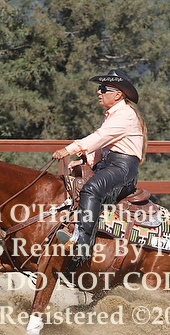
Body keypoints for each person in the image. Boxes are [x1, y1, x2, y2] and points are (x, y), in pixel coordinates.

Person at [52, 69, 147, 270]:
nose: (99, 92)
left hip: (122, 169)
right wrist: (86, 162)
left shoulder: (125, 115)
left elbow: (99, 138)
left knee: (91, 189)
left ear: (118, 95)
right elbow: (102, 145)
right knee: (73, 186)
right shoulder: (113, 114)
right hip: (110, 165)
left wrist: (69, 149)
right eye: (100, 88)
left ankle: (82, 244)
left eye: (103, 89)